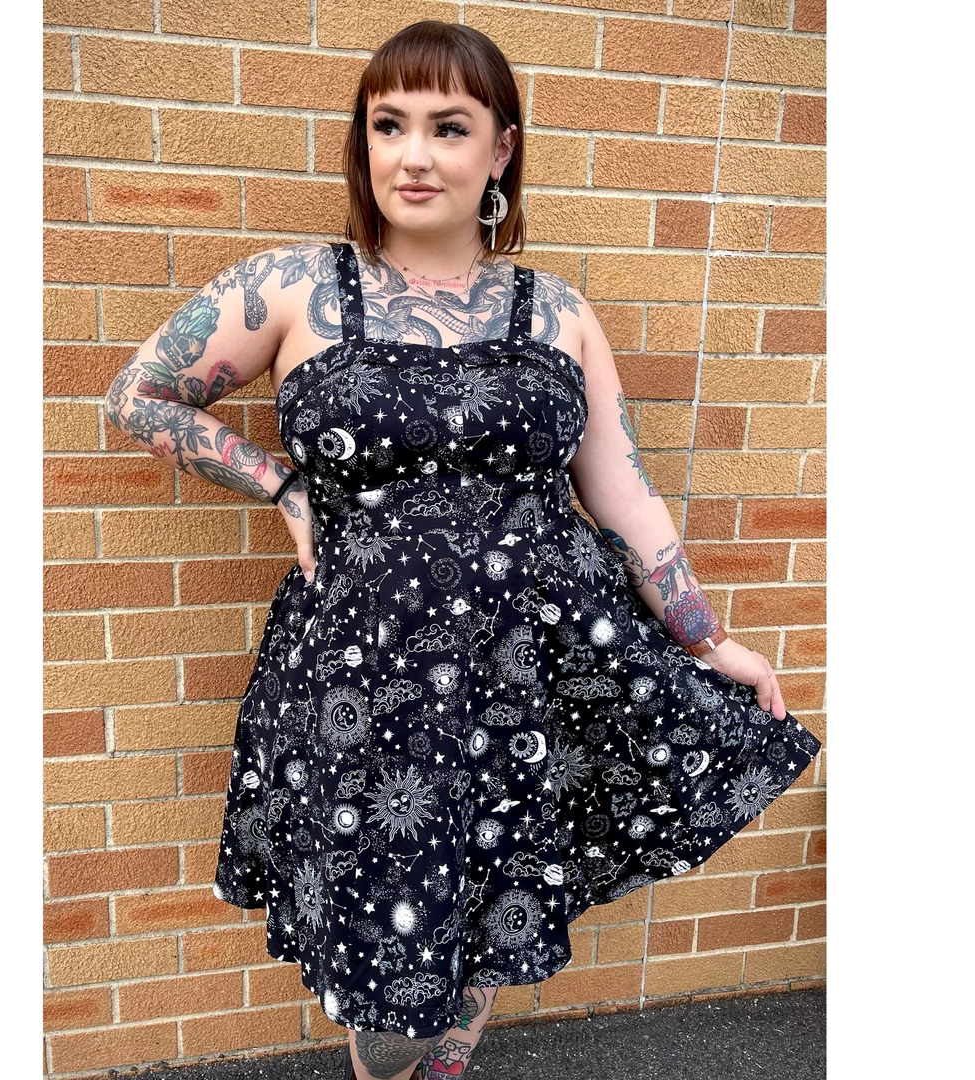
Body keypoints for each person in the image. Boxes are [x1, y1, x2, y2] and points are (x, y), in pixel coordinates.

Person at [105, 20, 822, 1080]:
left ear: (500, 149)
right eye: (387, 124)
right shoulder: (295, 287)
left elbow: (622, 492)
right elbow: (138, 395)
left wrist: (711, 642)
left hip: (527, 669)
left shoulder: (558, 314)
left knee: (485, 922)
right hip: (368, 678)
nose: (414, 154)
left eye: (449, 127)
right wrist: (279, 483)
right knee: (389, 991)